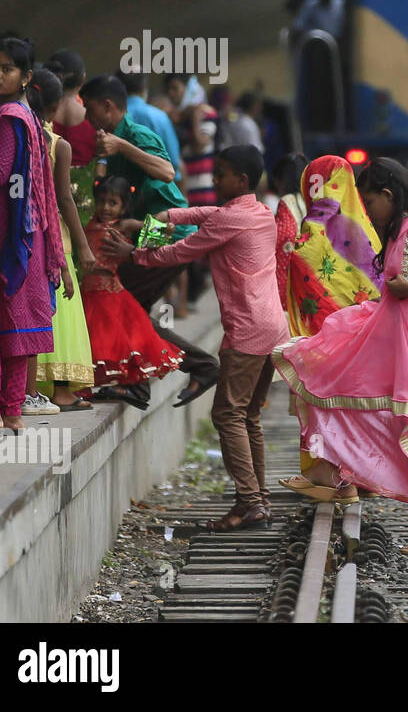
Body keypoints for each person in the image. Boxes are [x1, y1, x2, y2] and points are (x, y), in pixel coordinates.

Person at [275, 159, 408, 555]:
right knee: (328, 377)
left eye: (369, 201)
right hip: (391, 334)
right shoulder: (397, 231)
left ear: (388, 195)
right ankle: (335, 474)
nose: (365, 210)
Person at [105, 146, 289, 529]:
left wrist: (132, 252)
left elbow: (181, 252)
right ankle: (257, 501)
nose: (215, 180)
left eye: (220, 175)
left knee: (227, 414)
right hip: (274, 328)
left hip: (248, 332)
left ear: (239, 180)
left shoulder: (231, 220)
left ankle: (251, 501)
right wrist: (160, 218)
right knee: (248, 415)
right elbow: (208, 215)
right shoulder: (258, 212)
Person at [81, 73, 219, 406]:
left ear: (107, 106)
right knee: (129, 308)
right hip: (146, 231)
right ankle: (137, 383)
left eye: (90, 110)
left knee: (122, 302)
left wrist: (122, 147)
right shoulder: (109, 142)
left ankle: (199, 366)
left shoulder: (134, 135)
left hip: (168, 234)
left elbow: (167, 172)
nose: (87, 119)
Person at [0, 36, 67, 433]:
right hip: (24, 235)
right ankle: (10, 413)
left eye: (6, 68)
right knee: (11, 325)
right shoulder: (29, 118)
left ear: (25, 76)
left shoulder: (8, 118)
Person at [28, 68, 97, 413]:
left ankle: (28, 386)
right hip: (56, 242)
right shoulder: (58, 144)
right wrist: (83, 246)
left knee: (29, 312)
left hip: (24, 238)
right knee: (60, 311)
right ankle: (61, 389)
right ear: (55, 108)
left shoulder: (14, 136)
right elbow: (65, 200)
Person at [82, 178, 184, 402]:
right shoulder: (87, 223)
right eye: (102, 201)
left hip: (110, 292)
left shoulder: (123, 225)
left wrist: (159, 233)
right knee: (92, 344)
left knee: (119, 343)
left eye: (113, 203)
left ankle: (126, 385)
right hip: (87, 292)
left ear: (123, 207)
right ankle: (86, 386)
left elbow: (158, 230)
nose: (106, 208)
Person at [286, 155, 385, 338]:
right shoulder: (367, 230)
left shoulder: (310, 234)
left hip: (328, 338)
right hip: (370, 333)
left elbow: (299, 260)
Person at [166, 72, 220, 209]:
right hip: (180, 190)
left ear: (188, 90)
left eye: (175, 88)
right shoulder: (173, 117)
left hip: (202, 191)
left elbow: (199, 145)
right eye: (169, 90)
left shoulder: (206, 114)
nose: (171, 94)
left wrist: (195, 117)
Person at [121, 68, 181, 182]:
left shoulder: (114, 115)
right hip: (157, 187)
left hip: (119, 189)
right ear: (144, 86)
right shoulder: (159, 117)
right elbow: (174, 160)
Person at [271, 153, 308, 323]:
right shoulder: (313, 202)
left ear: (279, 181)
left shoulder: (286, 204)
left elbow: (281, 244)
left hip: (289, 293)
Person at [46, 49, 96, 169]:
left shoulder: (39, 116)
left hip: (46, 185)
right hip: (85, 185)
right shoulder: (96, 119)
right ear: (83, 79)